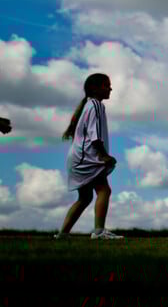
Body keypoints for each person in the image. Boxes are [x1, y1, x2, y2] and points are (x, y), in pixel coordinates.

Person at [54, 74, 123, 240]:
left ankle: (63, 234)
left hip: (77, 158)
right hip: (86, 159)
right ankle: (99, 232)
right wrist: (104, 155)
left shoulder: (88, 105)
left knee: (85, 197)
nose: (110, 89)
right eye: (107, 85)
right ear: (95, 89)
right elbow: (95, 135)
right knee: (104, 190)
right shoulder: (96, 106)